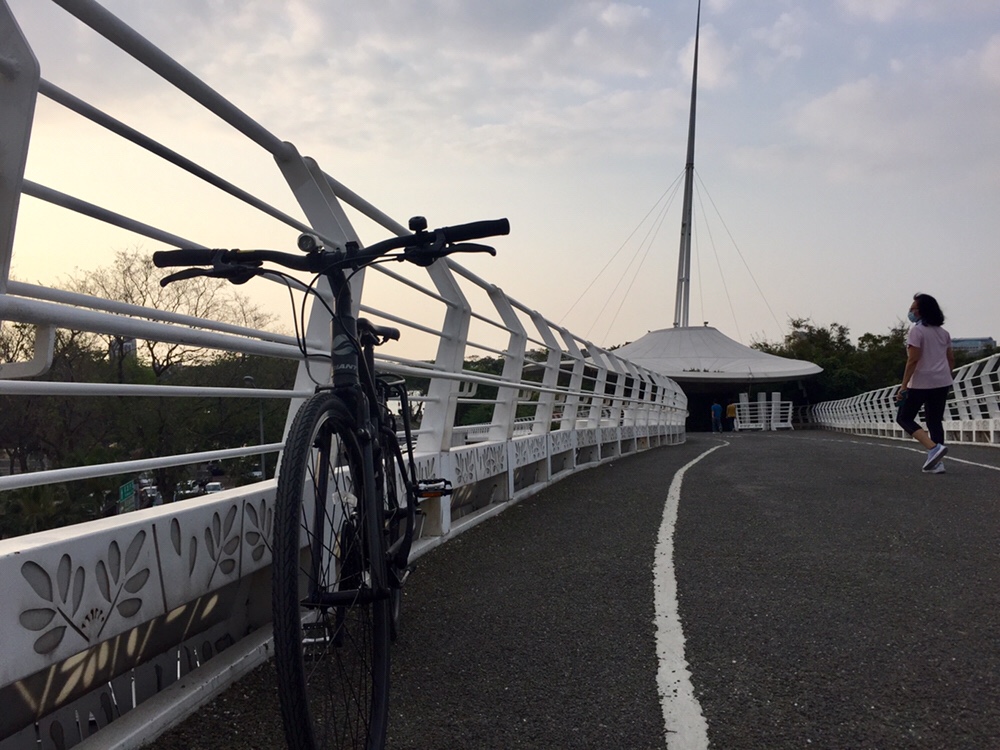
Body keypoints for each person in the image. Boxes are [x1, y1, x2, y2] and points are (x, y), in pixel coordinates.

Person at [895, 292, 954, 473]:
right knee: (934, 421)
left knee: (903, 417)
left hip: (921, 381)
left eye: (913, 308)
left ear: (921, 312)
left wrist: (903, 386)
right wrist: (946, 377)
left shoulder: (916, 331)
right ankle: (937, 463)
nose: (911, 312)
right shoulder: (943, 333)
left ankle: (933, 448)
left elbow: (913, 360)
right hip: (942, 381)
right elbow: (950, 359)